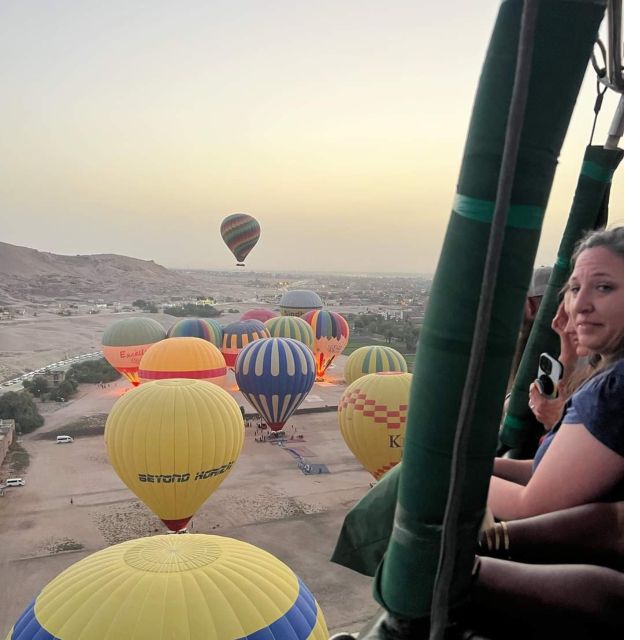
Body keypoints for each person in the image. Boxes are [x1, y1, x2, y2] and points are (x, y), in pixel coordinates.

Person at [489, 226, 623, 521]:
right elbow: (544, 469)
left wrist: (444, 473)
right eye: (575, 289)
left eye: (604, 287)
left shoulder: (614, 390)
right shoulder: (609, 378)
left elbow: (533, 507)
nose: (582, 306)